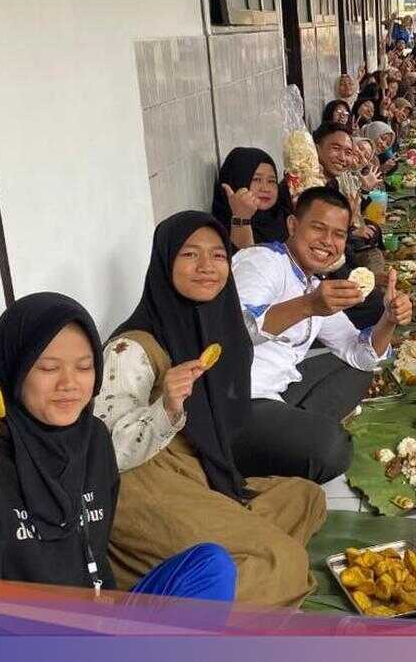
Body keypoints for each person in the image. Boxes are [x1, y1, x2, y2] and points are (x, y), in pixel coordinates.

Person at [0, 292, 238, 601]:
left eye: (85, 367)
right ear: (14, 369)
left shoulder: (93, 438)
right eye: (48, 368)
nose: (69, 384)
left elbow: (95, 555)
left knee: (212, 567)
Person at [97, 212, 325, 606]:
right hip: (141, 485)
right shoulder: (132, 347)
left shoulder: (218, 327)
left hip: (196, 475)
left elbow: (259, 329)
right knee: (284, 559)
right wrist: (165, 406)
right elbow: (109, 452)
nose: (207, 267)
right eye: (190, 255)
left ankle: (208, 578)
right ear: (165, 263)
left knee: (306, 498)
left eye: (218, 256)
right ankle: (175, 603)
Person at [230, 187, 413, 483]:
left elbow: (360, 353)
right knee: (332, 451)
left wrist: (389, 320)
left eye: (339, 234)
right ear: (292, 225)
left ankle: (289, 433)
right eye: (318, 228)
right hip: (238, 401)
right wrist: (308, 306)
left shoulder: (310, 281)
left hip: (278, 392)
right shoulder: (262, 261)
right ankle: (277, 445)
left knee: (359, 371)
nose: (328, 242)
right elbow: (240, 328)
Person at [212, 147, 286, 250]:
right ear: (237, 181)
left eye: (271, 181)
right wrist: (241, 218)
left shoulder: (286, 220)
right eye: (256, 179)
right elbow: (245, 260)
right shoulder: (216, 230)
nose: (265, 189)